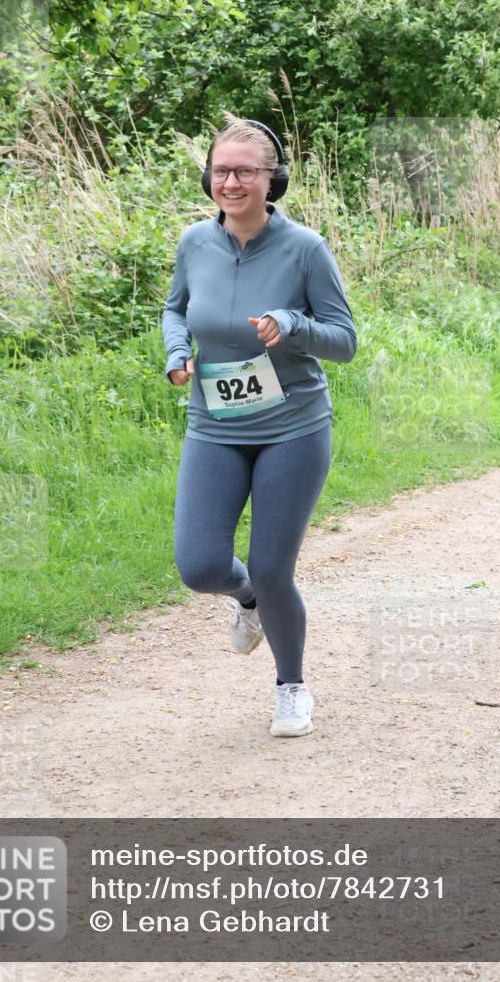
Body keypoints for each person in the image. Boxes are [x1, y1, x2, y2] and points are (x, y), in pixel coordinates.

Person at [161, 115, 357, 737]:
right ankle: (248, 603)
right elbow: (174, 309)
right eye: (222, 170)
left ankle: (291, 685)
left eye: (247, 170)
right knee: (198, 566)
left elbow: (345, 342)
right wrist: (175, 353)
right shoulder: (195, 242)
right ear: (208, 177)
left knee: (274, 567)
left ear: (273, 178)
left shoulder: (306, 249)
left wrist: (293, 325)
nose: (232, 181)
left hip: (293, 427)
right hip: (215, 425)